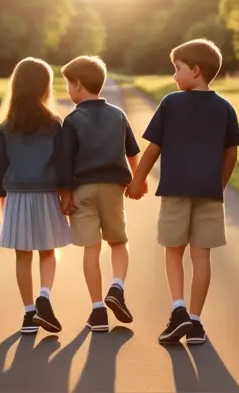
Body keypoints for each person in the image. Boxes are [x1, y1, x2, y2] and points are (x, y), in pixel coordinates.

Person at [127, 38, 239, 345]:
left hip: (176, 190)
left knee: (173, 250)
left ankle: (178, 308)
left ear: (195, 70)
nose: (174, 76)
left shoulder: (171, 103)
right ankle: (195, 321)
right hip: (209, 192)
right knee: (201, 255)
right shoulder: (224, 107)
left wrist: (137, 180)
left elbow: (154, 148)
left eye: (177, 69)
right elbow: (232, 154)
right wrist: (220, 184)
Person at [0, 57, 73, 335]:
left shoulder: (6, 126)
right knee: (48, 251)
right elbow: (63, 163)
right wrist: (66, 195)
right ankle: (44, 296)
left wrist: (3, 207)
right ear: (45, 88)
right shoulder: (54, 123)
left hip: (18, 196)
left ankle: (28, 315)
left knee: (22, 256)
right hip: (48, 194)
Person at [59, 55, 144, 332]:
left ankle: (97, 311)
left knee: (91, 249)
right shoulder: (118, 115)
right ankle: (116, 287)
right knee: (118, 242)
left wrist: (66, 194)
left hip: (83, 188)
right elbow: (133, 152)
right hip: (112, 188)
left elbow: (66, 162)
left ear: (78, 85)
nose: (67, 90)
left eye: (68, 85)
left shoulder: (71, 121)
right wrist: (137, 181)